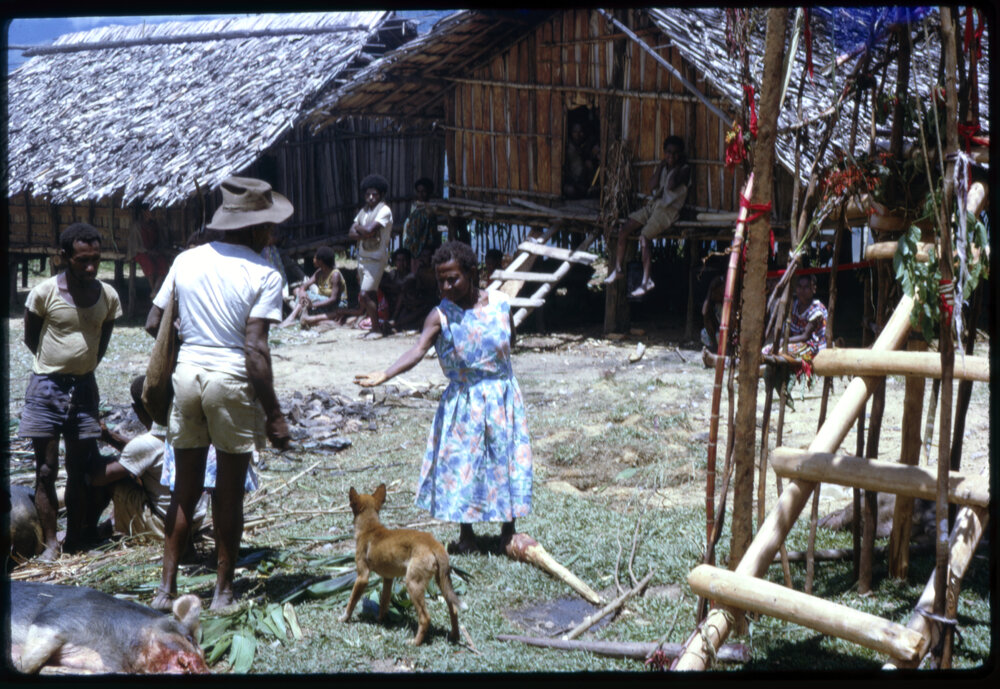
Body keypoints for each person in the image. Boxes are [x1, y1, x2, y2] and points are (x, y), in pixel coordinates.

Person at [145, 176, 291, 611]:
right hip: (230, 381)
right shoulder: (264, 273)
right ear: (254, 227)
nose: (272, 232)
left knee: (185, 487)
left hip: (187, 377)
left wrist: (194, 338)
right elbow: (255, 349)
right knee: (228, 492)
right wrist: (274, 413)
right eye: (269, 225)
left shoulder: (186, 260)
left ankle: (165, 589)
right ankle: (223, 592)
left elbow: (154, 323)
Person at [355, 241, 532, 554]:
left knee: (504, 460)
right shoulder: (440, 315)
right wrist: (386, 373)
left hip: (502, 397)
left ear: (472, 273)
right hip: (464, 401)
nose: (446, 287)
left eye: (453, 279)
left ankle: (508, 531)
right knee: (465, 463)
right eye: (441, 281)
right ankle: (467, 535)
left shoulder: (501, 303)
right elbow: (418, 349)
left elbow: (510, 339)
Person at [19, 222, 122, 561]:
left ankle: (76, 537)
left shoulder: (107, 297)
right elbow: (32, 339)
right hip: (46, 389)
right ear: (64, 257)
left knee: (79, 468)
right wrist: (58, 368)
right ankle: (51, 543)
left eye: (96, 260)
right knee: (45, 470)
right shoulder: (44, 293)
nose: (91, 268)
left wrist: (82, 369)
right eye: (82, 261)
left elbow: (101, 342)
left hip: (84, 390)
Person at [90, 376, 209, 542]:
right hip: (194, 521)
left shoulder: (145, 444)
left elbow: (98, 479)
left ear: (135, 409)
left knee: (116, 478)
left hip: (166, 527)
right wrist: (110, 437)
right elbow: (142, 453)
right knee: (135, 469)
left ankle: (89, 532)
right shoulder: (184, 430)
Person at [605, 135, 690, 296]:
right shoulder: (664, 167)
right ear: (664, 153)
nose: (671, 156)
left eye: (675, 153)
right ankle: (618, 269)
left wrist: (676, 166)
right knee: (624, 229)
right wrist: (661, 166)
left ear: (681, 154)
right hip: (654, 205)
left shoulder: (684, 169)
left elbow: (671, 185)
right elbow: (651, 185)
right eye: (668, 152)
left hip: (668, 211)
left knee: (644, 237)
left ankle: (646, 281)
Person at [349, 173, 393, 335]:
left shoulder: (384, 210)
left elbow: (367, 230)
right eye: (368, 194)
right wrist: (365, 232)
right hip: (363, 258)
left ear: (381, 194)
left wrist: (361, 229)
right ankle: (377, 325)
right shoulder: (364, 211)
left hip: (375, 259)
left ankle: (375, 329)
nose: (371, 197)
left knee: (365, 294)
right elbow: (351, 233)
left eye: (374, 194)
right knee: (372, 293)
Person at [764, 273, 828, 364]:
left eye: (806, 287)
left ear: (813, 289)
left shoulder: (817, 309)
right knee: (766, 350)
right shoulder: (794, 305)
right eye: (799, 286)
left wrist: (785, 341)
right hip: (796, 343)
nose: (802, 290)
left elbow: (805, 336)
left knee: (781, 353)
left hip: (813, 346)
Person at [279, 246, 347, 328]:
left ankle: (291, 318)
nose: (313, 260)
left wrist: (313, 305)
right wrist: (302, 292)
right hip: (323, 300)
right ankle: (295, 317)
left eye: (315, 258)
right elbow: (304, 286)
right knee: (300, 292)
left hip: (336, 304)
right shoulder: (320, 272)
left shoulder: (335, 275)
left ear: (321, 261)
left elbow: (333, 299)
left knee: (307, 296)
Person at [390, 246, 439, 332]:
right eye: (422, 256)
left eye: (426, 256)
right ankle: (395, 321)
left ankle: (396, 323)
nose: (423, 259)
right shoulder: (419, 271)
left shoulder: (435, 272)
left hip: (427, 303)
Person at [401, 178, 439, 275]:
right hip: (411, 249)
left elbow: (430, 233)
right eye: (418, 192)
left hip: (422, 251)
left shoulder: (430, 211)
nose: (421, 194)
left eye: (424, 192)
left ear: (429, 193)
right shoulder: (415, 208)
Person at [562, 122, 600, 199]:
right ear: (571, 133)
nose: (578, 135)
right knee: (570, 190)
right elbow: (576, 170)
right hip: (573, 182)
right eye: (575, 132)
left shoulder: (582, 146)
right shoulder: (569, 148)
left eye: (580, 132)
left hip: (581, 183)